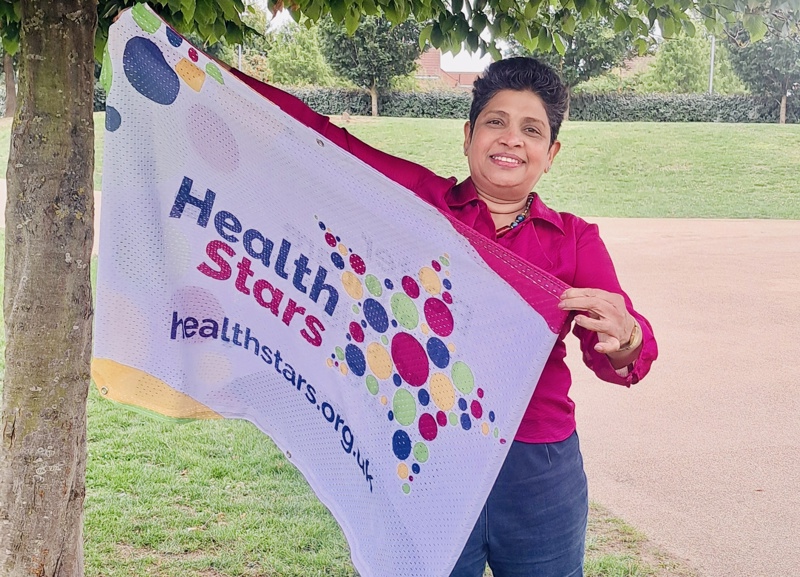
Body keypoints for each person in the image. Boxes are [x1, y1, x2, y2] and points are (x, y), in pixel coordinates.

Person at [228, 57, 658, 577]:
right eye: (495, 122)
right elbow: (325, 144)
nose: (511, 139)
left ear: (551, 153)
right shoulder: (417, 205)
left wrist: (627, 337)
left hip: (538, 470)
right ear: (468, 134)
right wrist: (210, 78)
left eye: (532, 129)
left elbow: (618, 352)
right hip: (429, 457)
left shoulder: (574, 239)